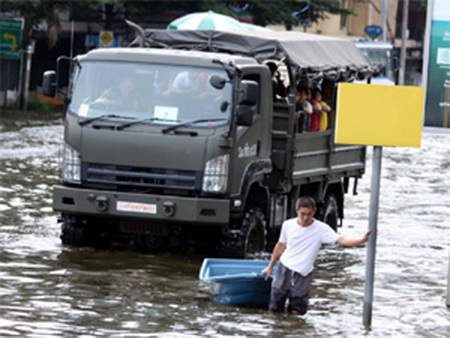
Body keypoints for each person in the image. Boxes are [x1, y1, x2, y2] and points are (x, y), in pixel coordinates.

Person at [261, 196, 370, 315]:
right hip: (285, 268)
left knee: (298, 310)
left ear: (314, 212)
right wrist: (270, 266)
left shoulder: (321, 229)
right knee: (275, 307)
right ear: (297, 210)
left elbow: (342, 241)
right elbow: (280, 246)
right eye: (303, 214)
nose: (306, 217)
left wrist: (362, 240)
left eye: (309, 214)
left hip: (303, 272)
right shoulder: (288, 225)